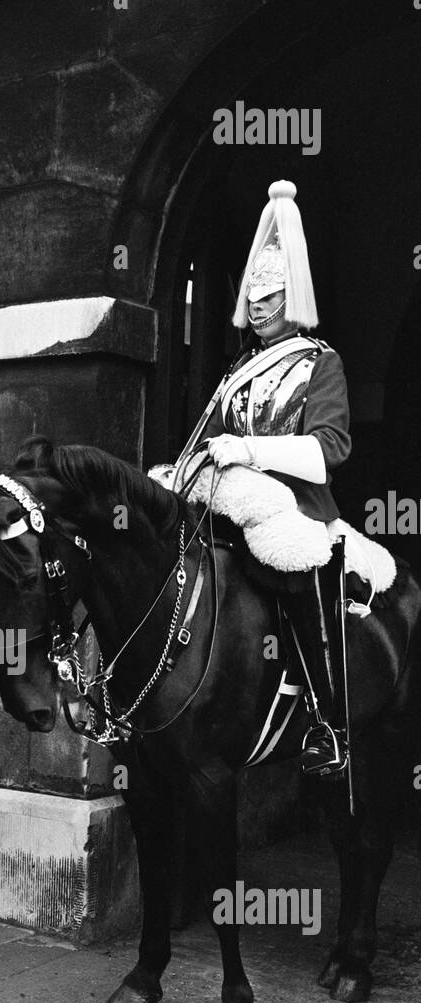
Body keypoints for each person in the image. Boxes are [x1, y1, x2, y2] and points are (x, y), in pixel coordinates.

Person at [187, 180, 351, 776]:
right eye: (251, 295)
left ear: (292, 295)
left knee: (299, 565)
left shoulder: (319, 363)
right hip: (235, 501)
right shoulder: (238, 369)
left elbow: (328, 452)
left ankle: (327, 723)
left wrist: (249, 450)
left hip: (298, 508)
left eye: (269, 294)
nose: (255, 306)